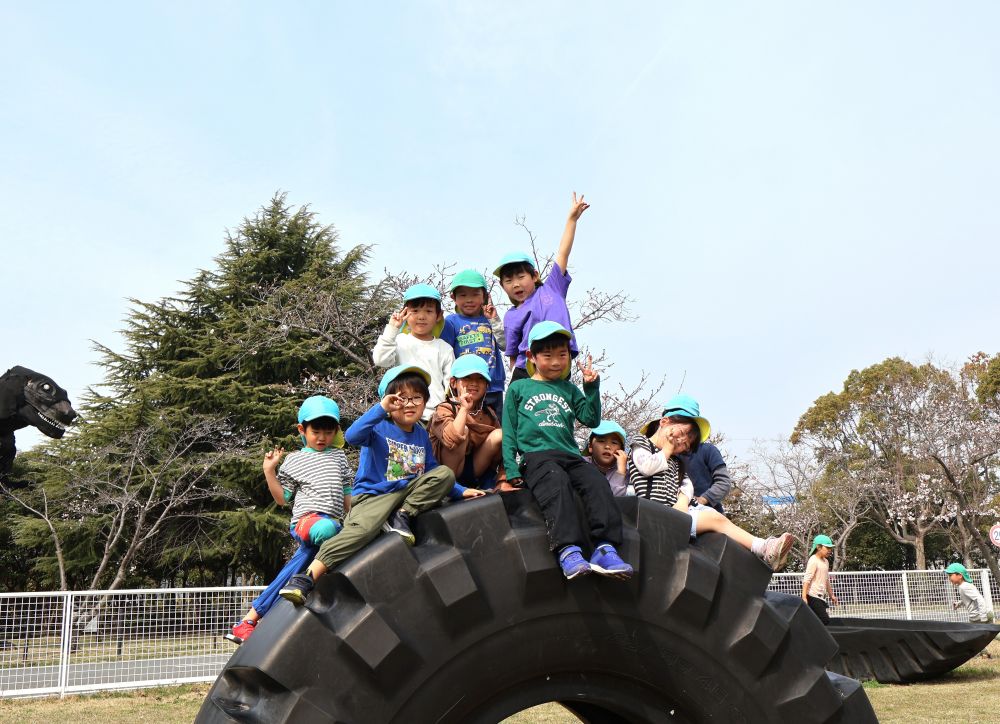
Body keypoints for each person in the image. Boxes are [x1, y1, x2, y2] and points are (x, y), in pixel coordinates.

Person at [279, 365, 484, 605]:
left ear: (425, 402)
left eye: (416, 397)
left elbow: (431, 470)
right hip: (374, 497)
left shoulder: (420, 434)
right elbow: (352, 437)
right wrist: (381, 409)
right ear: (389, 402)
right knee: (360, 531)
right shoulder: (378, 427)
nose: (409, 404)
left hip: (405, 496)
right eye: (401, 398)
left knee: (445, 473)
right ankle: (306, 578)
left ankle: (402, 516)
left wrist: (461, 491)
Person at [502, 321, 632, 580]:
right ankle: (568, 550)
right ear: (532, 357)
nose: (556, 362)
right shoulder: (519, 388)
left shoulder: (569, 389)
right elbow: (509, 429)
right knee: (556, 483)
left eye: (562, 355)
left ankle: (605, 549)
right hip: (537, 455)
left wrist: (591, 387)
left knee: (596, 482)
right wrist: (510, 467)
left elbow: (591, 419)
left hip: (570, 455)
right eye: (547, 355)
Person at [225, 395, 352, 644]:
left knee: (297, 567)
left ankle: (248, 621)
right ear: (302, 430)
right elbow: (283, 498)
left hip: (335, 522)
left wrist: (355, 519)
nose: (322, 437)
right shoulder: (295, 460)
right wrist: (269, 471)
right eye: (316, 431)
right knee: (328, 530)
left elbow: (348, 494)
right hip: (308, 522)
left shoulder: (339, 458)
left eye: (328, 431)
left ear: (336, 431)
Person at [627, 394, 794, 571]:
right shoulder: (641, 444)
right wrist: (666, 451)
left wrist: (683, 501)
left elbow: (686, 484)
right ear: (664, 422)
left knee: (720, 523)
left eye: (687, 445)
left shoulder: (676, 461)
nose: (683, 444)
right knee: (715, 519)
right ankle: (762, 547)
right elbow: (645, 467)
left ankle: (762, 554)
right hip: (656, 515)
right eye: (683, 434)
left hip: (678, 513)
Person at [496, 192, 589, 382]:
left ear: (535, 276)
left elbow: (563, 253)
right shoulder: (512, 315)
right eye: (508, 281)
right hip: (526, 371)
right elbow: (514, 355)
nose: (516, 284)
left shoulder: (552, 288)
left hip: (558, 364)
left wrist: (572, 220)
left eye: (521, 276)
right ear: (502, 286)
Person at [372, 284, 455, 421]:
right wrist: (392, 328)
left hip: (435, 417)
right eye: (415, 311)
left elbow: (450, 386)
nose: (421, 317)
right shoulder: (399, 341)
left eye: (428, 311)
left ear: (438, 315)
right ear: (405, 313)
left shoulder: (444, 348)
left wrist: (448, 412)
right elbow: (381, 360)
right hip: (403, 412)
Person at [440, 269, 506, 422]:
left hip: (493, 386)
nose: (469, 300)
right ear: (453, 298)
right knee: (468, 428)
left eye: (475, 294)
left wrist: (494, 319)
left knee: (496, 428)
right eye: (463, 295)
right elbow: (445, 355)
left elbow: (505, 345)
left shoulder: (490, 319)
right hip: (466, 387)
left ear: (485, 296)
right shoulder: (451, 322)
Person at [428, 355, 503, 489]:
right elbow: (452, 439)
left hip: (473, 470)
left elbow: (504, 449)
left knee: (500, 435)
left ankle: (487, 481)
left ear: (487, 385)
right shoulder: (444, 409)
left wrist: (503, 478)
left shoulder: (488, 413)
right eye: (467, 378)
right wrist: (464, 409)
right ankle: (453, 488)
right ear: (453, 382)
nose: (474, 383)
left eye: (480, 379)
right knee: (462, 430)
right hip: (447, 473)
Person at [679, 440, 732, 513]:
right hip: (677, 514)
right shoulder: (668, 455)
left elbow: (724, 482)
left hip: (709, 514)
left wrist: (702, 500)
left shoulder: (707, 449)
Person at [584, 420, 630, 496]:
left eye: (614, 443)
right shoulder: (581, 464)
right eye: (601, 441)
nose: (607, 446)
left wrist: (621, 472)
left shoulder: (623, 472)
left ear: (621, 451)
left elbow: (614, 499)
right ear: (590, 447)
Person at [802, 534, 838, 624]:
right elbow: (807, 579)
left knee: (815, 621)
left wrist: (831, 595)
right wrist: (804, 597)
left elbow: (826, 580)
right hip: (812, 596)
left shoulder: (826, 561)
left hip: (821, 597)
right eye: (827, 548)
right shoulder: (813, 560)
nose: (830, 550)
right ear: (818, 547)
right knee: (824, 620)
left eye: (830, 548)